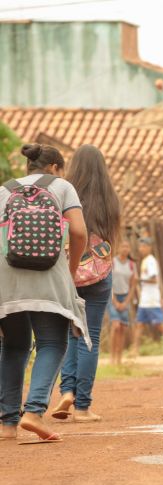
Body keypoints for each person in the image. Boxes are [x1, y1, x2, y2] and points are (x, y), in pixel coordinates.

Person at [0, 143, 89, 442]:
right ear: (54, 168)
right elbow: (78, 231)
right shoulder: (62, 186)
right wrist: (71, 269)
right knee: (52, 343)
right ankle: (34, 412)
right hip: (49, 274)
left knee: (13, 346)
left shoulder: (5, 190)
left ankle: (7, 424)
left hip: (7, 277)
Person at [52, 145, 120, 423]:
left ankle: (66, 391)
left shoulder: (66, 193)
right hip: (100, 273)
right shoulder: (110, 199)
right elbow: (112, 238)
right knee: (90, 336)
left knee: (71, 335)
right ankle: (82, 406)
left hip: (69, 271)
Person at [131, 237, 163, 354]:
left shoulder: (151, 261)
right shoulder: (145, 261)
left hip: (151, 299)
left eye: (143, 246)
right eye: (140, 246)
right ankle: (135, 350)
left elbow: (154, 280)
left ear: (149, 248)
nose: (141, 249)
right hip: (145, 298)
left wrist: (139, 280)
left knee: (158, 325)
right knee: (139, 324)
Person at [108, 240, 137, 365]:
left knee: (123, 328)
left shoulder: (132, 265)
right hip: (112, 296)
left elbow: (133, 286)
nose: (125, 249)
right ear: (117, 248)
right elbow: (108, 282)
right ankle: (112, 357)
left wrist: (126, 302)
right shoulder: (112, 262)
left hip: (125, 297)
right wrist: (114, 300)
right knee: (115, 326)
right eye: (122, 246)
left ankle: (119, 358)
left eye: (127, 246)